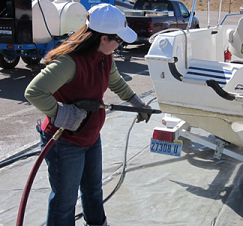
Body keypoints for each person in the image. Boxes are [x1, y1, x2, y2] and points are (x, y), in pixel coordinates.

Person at [24, 3, 150, 226]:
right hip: (65, 141)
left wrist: (137, 103)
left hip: (91, 136)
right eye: (118, 40)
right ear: (103, 39)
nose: (119, 45)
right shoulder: (69, 62)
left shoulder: (104, 57)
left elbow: (117, 83)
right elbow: (34, 92)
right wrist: (61, 113)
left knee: (93, 190)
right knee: (65, 201)